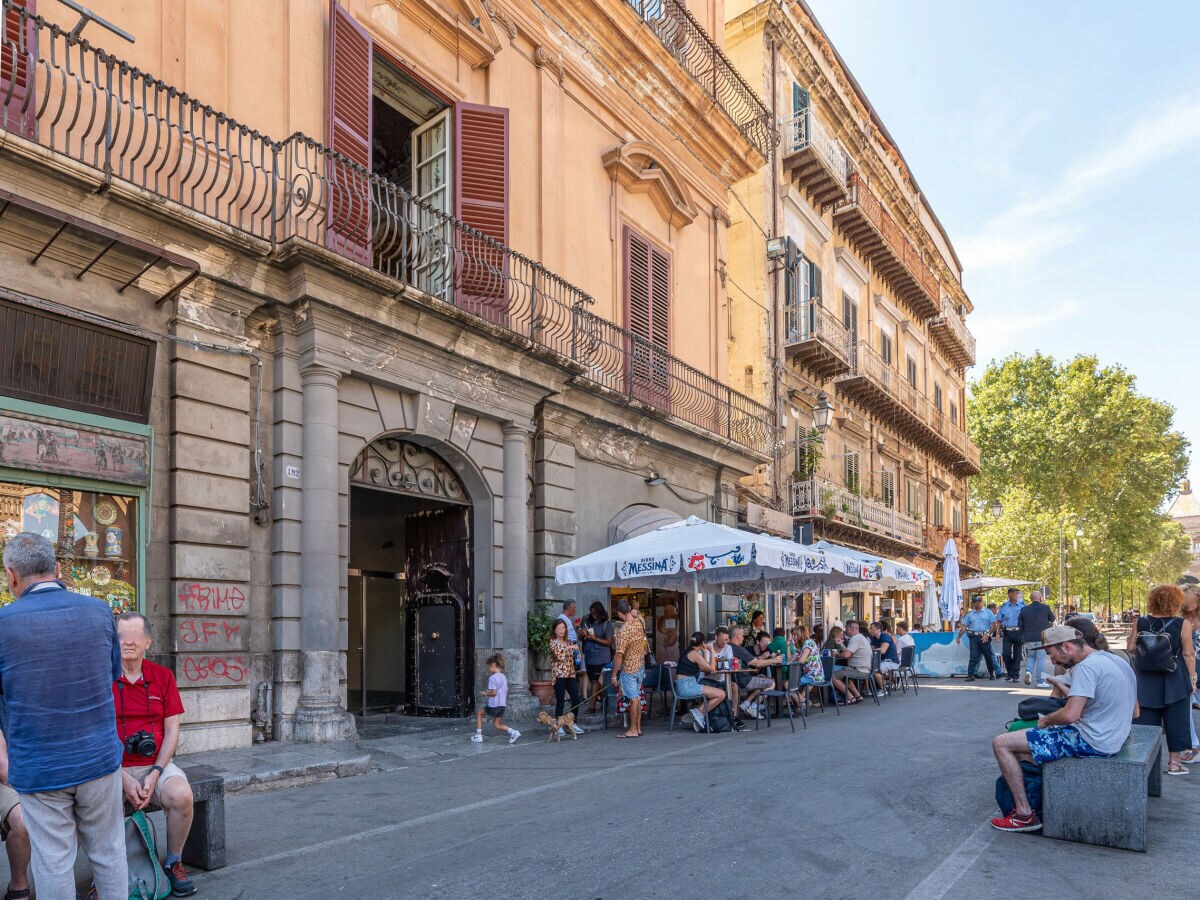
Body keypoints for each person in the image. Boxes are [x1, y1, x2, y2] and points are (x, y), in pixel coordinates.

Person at [0, 533, 126, 900]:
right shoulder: (100, 610)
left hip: (40, 765)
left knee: (53, 861)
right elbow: (112, 675)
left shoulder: (4, 622)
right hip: (99, 757)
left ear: (11, 575)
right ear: (57, 569)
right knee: (109, 852)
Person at [990, 625, 1137, 832]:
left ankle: (1024, 814)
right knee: (1024, 751)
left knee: (1002, 743)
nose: (1053, 662)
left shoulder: (1086, 668)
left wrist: (1047, 720)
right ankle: (1038, 800)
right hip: (1114, 737)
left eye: (1052, 654)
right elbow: (1135, 712)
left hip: (1092, 741)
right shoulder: (1117, 661)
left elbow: (1070, 715)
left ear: (1066, 646)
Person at [112, 613, 197, 896]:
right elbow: (96, 733)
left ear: (147, 641)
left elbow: (172, 730)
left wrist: (157, 771)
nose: (128, 642)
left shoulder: (163, 676)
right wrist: (122, 776)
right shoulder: (102, 677)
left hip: (156, 764)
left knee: (182, 795)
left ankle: (174, 862)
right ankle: (106, 876)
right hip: (113, 768)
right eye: (122, 635)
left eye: (135, 635)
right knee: (93, 805)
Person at [1126, 585, 1196, 776]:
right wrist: (1193, 679)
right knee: (1177, 721)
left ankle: (1143, 762)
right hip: (1174, 678)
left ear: (1152, 601)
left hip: (1145, 679)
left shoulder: (1140, 622)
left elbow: (1131, 647)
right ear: (1176, 602)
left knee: (1145, 723)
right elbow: (1188, 654)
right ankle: (1174, 763)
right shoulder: (1183, 624)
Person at [673, 632, 727, 732]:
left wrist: (704, 651)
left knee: (715, 692)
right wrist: (711, 651)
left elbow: (704, 667)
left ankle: (699, 714)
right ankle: (699, 712)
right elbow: (712, 669)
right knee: (721, 694)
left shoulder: (689, 652)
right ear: (702, 643)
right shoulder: (694, 654)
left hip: (684, 685)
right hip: (687, 686)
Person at [0, 731, 31, 900]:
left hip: (34, 772)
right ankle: (18, 887)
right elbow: (3, 769)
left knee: (75, 807)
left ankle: (61, 882)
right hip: (7, 778)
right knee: (23, 820)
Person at [612, 600, 647, 739]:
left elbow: (619, 655)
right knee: (636, 697)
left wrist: (614, 675)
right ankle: (637, 728)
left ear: (620, 613)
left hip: (629, 668)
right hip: (640, 665)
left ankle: (632, 729)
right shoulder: (640, 620)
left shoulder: (623, 630)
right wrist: (635, 611)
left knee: (633, 699)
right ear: (630, 608)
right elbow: (637, 612)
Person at [548, 620, 586, 736]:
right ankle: (558, 725)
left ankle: (572, 723)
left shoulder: (569, 641)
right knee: (560, 701)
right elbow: (559, 656)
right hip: (559, 675)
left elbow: (575, 656)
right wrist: (571, 648)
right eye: (559, 628)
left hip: (570, 674)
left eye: (563, 628)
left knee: (576, 698)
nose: (561, 631)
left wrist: (577, 655)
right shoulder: (553, 642)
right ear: (554, 630)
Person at [729, 626, 775, 720]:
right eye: (742, 635)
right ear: (738, 636)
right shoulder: (740, 649)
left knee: (761, 678)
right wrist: (774, 660)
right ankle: (754, 706)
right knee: (772, 683)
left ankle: (746, 704)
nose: (743, 638)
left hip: (735, 679)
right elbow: (756, 663)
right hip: (744, 680)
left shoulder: (727, 648)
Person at [473, 653, 519, 744]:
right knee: (497, 724)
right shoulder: (503, 677)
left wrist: (486, 693)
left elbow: (494, 693)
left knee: (479, 713)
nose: (489, 669)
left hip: (494, 704)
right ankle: (513, 732)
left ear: (493, 665)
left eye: (489, 667)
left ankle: (478, 735)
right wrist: (489, 693)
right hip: (502, 705)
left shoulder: (493, 678)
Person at [1179, 581, 1200, 763]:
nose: (1190, 611)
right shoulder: (1178, 619)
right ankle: (1193, 745)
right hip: (1188, 669)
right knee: (1185, 711)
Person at [580, 602, 613, 713]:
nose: (593, 614)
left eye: (595, 612)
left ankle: (592, 707)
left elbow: (608, 642)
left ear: (600, 612)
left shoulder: (607, 624)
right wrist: (582, 633)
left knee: (594, 681)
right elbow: (580, 638)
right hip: (588, 654)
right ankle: (605, 698)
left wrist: (595, 638)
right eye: (591, 612)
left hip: (600, 656)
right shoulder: (588, 622)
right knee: (592, 679)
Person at [956, 597, 998, 681]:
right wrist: (959, 637)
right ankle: (970, 675)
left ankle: (992, 673)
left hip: (984, 636)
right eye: (975, 602)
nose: (977, 603)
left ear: (982, 602)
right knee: (973, 656)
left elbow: (994, 625)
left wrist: (988, 635)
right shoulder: (970, 614)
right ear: (973, 603)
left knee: (988, 656)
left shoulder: (988, 612)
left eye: (979, 602)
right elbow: (964, 626)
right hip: (973, 637)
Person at [1017, 590, 1055, 687]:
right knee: (1041, 658)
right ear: (1040, 598)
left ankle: (1028, 672)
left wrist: (1022, 638)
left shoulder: (1024, 609)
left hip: (1029, 638)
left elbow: (1019, 625)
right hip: (1042, 637)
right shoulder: (1045, 607)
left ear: (1030, 598)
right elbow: (1052, 619)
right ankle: (1040, 681)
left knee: (1031, 656)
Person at [832, 621, 871, 704]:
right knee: (845, 674)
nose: (845, 631)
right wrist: (841, 645)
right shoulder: (861, 637)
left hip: (858, 670)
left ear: (849, 629)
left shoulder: (855, 639)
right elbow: (850, 651)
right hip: (864, 669)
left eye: (846, 629)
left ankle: (850, 697)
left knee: (832, 677)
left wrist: (836, 655)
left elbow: (846, 655)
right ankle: (858, 696)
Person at [996, 588, 1026, 682]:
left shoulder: (1022, 605)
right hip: (1007, 632)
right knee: (1006, 653)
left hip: (1019, 632)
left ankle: (1015, 675)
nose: (1016, 595)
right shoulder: (1004, 606)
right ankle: (1009, 672)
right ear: (1009, 594)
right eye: (1014, 593)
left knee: (1017, 655)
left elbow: (1026, 620)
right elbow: (999, 621)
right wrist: (997, 633)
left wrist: (1026, 634)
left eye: (1017, 593)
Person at [870, 621, 900, 690]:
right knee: (867, 669)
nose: (870, 630)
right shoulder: (874, 638)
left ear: (878, 629)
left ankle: (883, 688)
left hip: (891, 662)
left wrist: (872, 649)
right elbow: (870, 649)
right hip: (882, 661)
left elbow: (883, 650)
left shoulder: (885, 636)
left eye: (871, 628)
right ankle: (875, 687)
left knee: (875, 670)